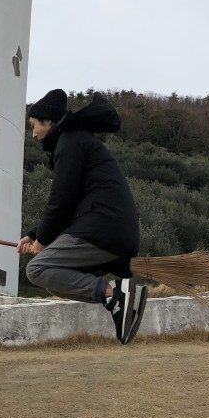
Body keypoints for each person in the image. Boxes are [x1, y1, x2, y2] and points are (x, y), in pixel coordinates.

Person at [18, 89, 148, 344]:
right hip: (109, 230)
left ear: (49, 121)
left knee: (38, 268)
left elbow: (61, 200)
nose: (33, 134)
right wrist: (35, 234)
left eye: (34, 126)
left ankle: (116, 295)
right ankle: (115, 297)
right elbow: (71, 203)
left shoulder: (70, 141)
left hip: (103, 229)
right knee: (53, 278)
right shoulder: (77, 141)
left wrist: (42, 240)